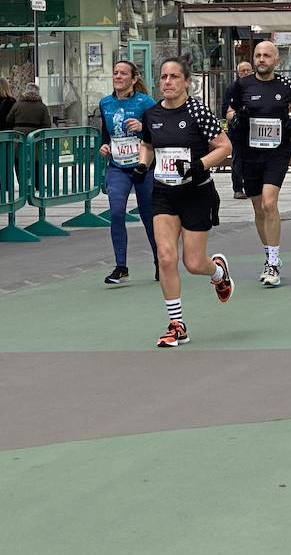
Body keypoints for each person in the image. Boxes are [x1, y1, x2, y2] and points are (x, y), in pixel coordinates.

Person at [138, 58, 234, 349]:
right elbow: (148, 143)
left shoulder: (197, 111)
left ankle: (218, 271)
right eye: (164, 77)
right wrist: (144, 164)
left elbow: (225, 146)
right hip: (164, 193)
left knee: (193, 263)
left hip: (196, 192)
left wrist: (199, 165)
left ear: (186, 81)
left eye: (174, 77)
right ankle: (176, 324)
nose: (168, 82)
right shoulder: (152, 113)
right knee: (166, 257)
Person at [227, 40, 291, 288]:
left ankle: (273, 262)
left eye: (266, 56)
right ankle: (268, 254)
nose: (261, 59)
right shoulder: (241, 85)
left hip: (277, 151)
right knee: (258, 208)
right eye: (258, 55)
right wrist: (236, 118)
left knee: (269, 202)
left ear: (276, 60)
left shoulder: (285, 85)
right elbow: (228, 111)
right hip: (249, 152)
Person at [98, 60, 158, 287]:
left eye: (123, 73)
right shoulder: (105, 103)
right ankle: (121, 267)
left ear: (134, 79)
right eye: (115, 73)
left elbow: (159, 129)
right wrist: (104, 146)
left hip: (143, 166)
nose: (118, 77)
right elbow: (106, 134)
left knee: (149, 216)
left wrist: (143, 128)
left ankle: (159, 261)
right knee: (116, 213)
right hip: (117, 166)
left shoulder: (146, 102)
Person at [222, 61, 255, 200]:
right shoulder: (232, 88)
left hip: (255, 129)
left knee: (253, 160)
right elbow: (225, 109)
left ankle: (252, 187)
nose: (246, 73)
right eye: (243, 71)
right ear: (238, 73)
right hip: (238, 130)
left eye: (248, 70)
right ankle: (237, 188)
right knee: (238, 159)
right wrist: (234, 117)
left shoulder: (257, 87)